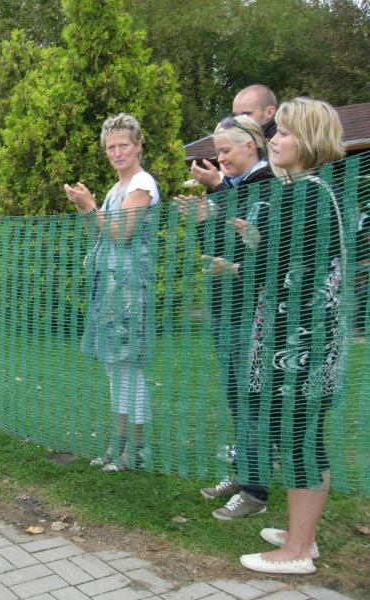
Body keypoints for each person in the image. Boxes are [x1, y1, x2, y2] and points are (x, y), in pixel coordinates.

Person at [233, 98, 346, 575]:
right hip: (299, 338)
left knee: (298, 437)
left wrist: (247, 245)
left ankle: (297, 551)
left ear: (310, 140)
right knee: (301, 435)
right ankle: (304, 536)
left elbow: (268, 269)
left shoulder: (305, 195)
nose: (272, 139)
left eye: (283, 132)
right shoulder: (308, 190)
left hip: (300, 343)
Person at [175, 115, 275, 520]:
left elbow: (262, 252)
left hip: (251, 310)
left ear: (250, 146)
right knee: (237, 398)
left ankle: (255, 491)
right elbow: (221, 243)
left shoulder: (266, 185)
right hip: (225, 305)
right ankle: (243, 473)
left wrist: (218, 193)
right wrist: (204, 220)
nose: (219, 158)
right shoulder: (233, 187)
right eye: (217, 151)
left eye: (225, 150)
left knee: (252, 400)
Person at [64, 113, 160, 472]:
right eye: (110, 147)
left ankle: (137, 449)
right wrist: (85, 209)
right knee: (113, 368)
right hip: (109, 288)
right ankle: (118, 444)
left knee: (128, 369)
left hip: (131, 291)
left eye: (123, 145)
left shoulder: (142, 184)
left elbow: (122, 233)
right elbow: (100, 234)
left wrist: (92, 208)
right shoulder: (115, 189)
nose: (117, 152)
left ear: (138, 145)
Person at [192, 85, 278, 191]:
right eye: (235, 116)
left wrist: (217, 185)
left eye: (246, 114)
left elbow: (249, 201)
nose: (238, 120)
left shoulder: (278, 152)